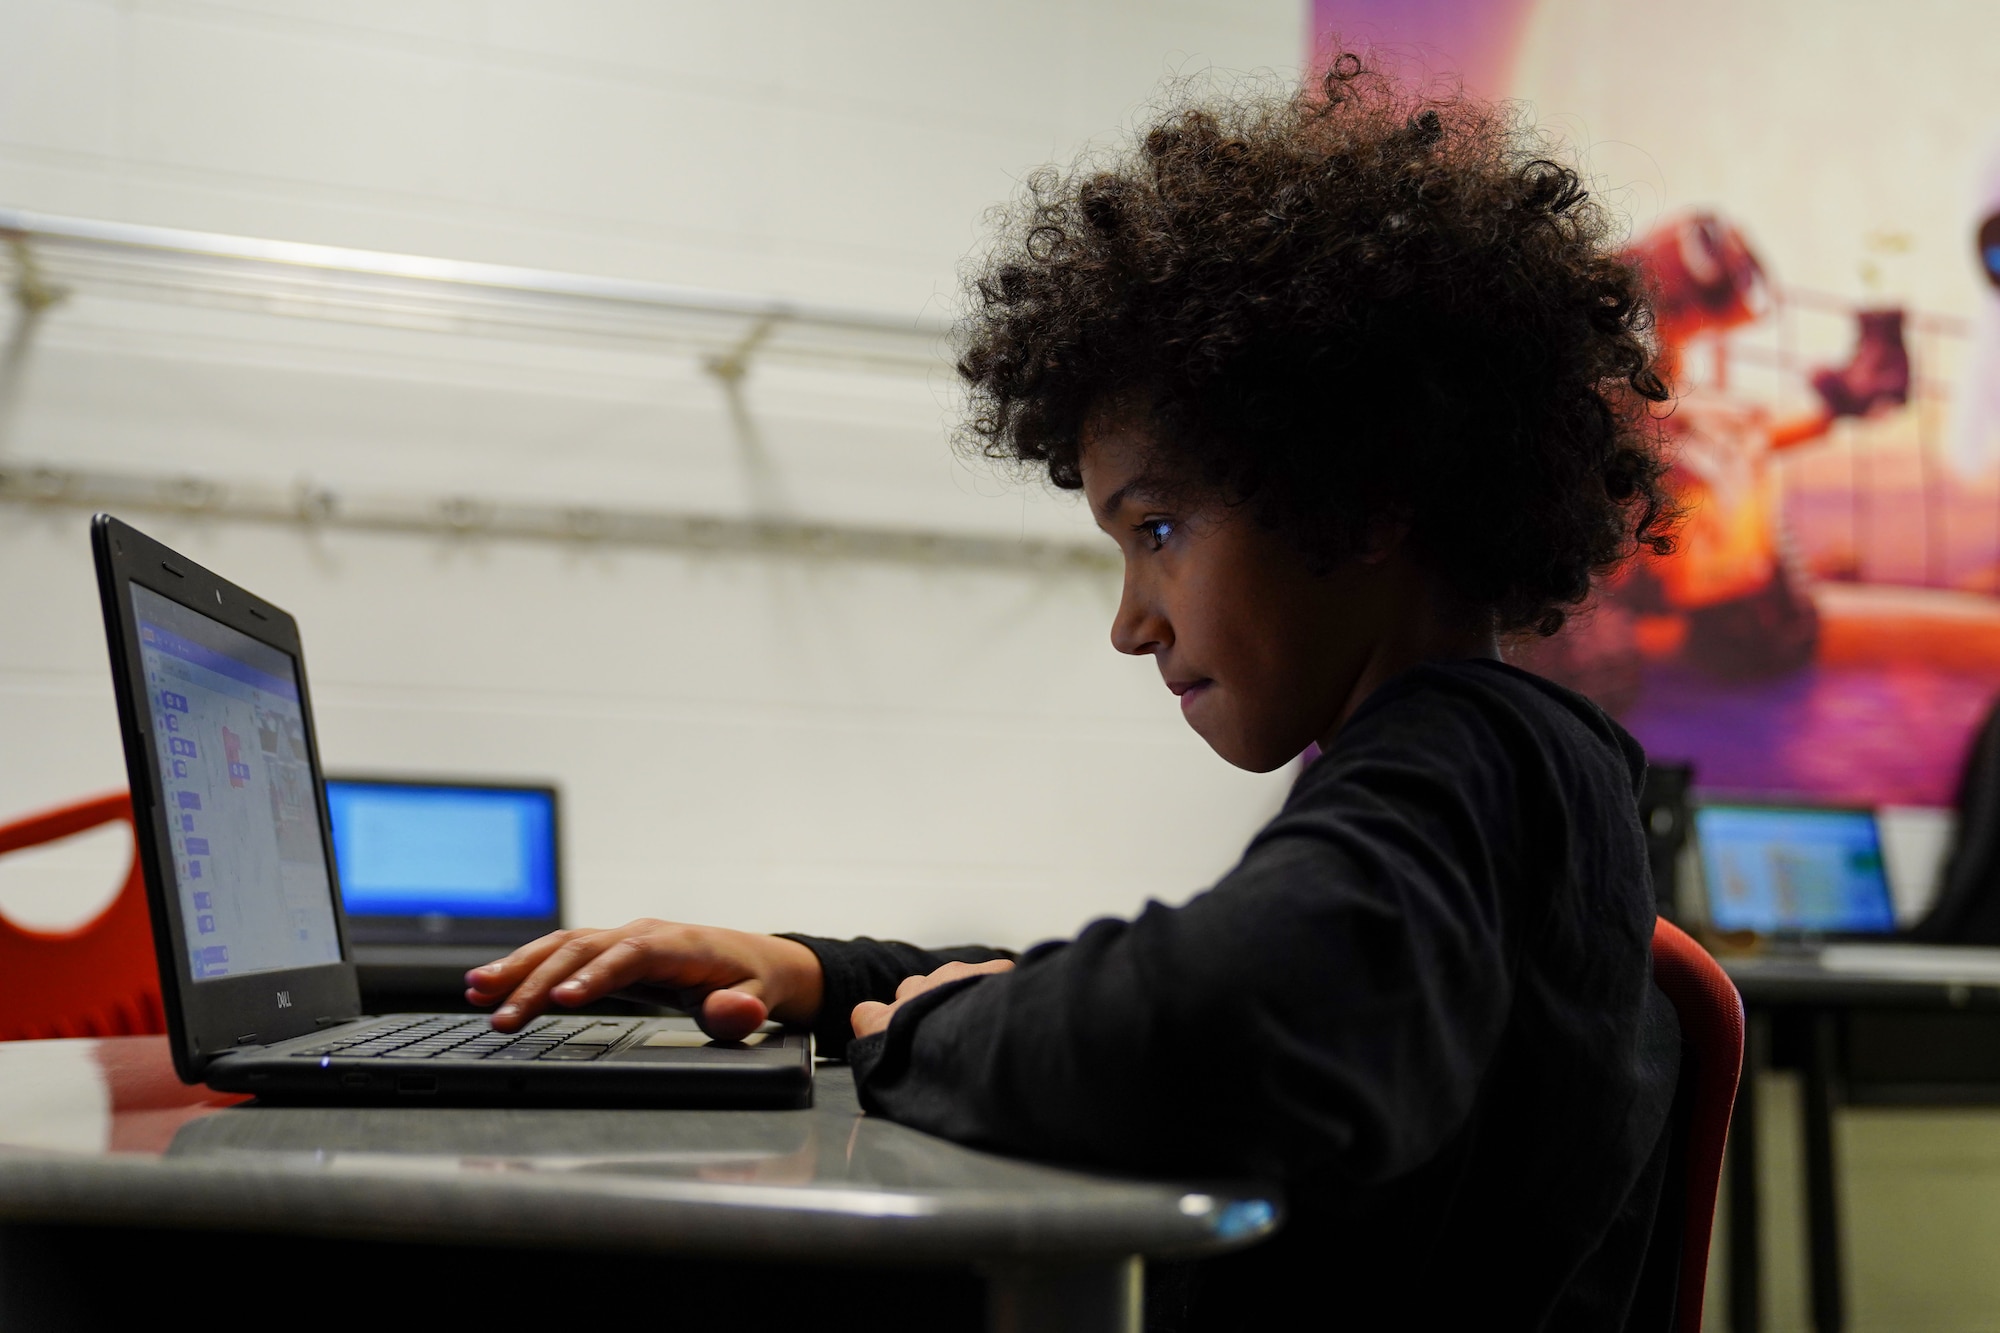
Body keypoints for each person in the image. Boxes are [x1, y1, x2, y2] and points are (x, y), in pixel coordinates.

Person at [468, 57, 1688, 1331]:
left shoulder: (1469, 755)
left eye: (1155, 528)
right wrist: (821, 975)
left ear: (1363, 491)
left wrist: (914, 1041)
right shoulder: (1486, 764)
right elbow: (1165, 973)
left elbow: (1218, 1019)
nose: (1128, 623)